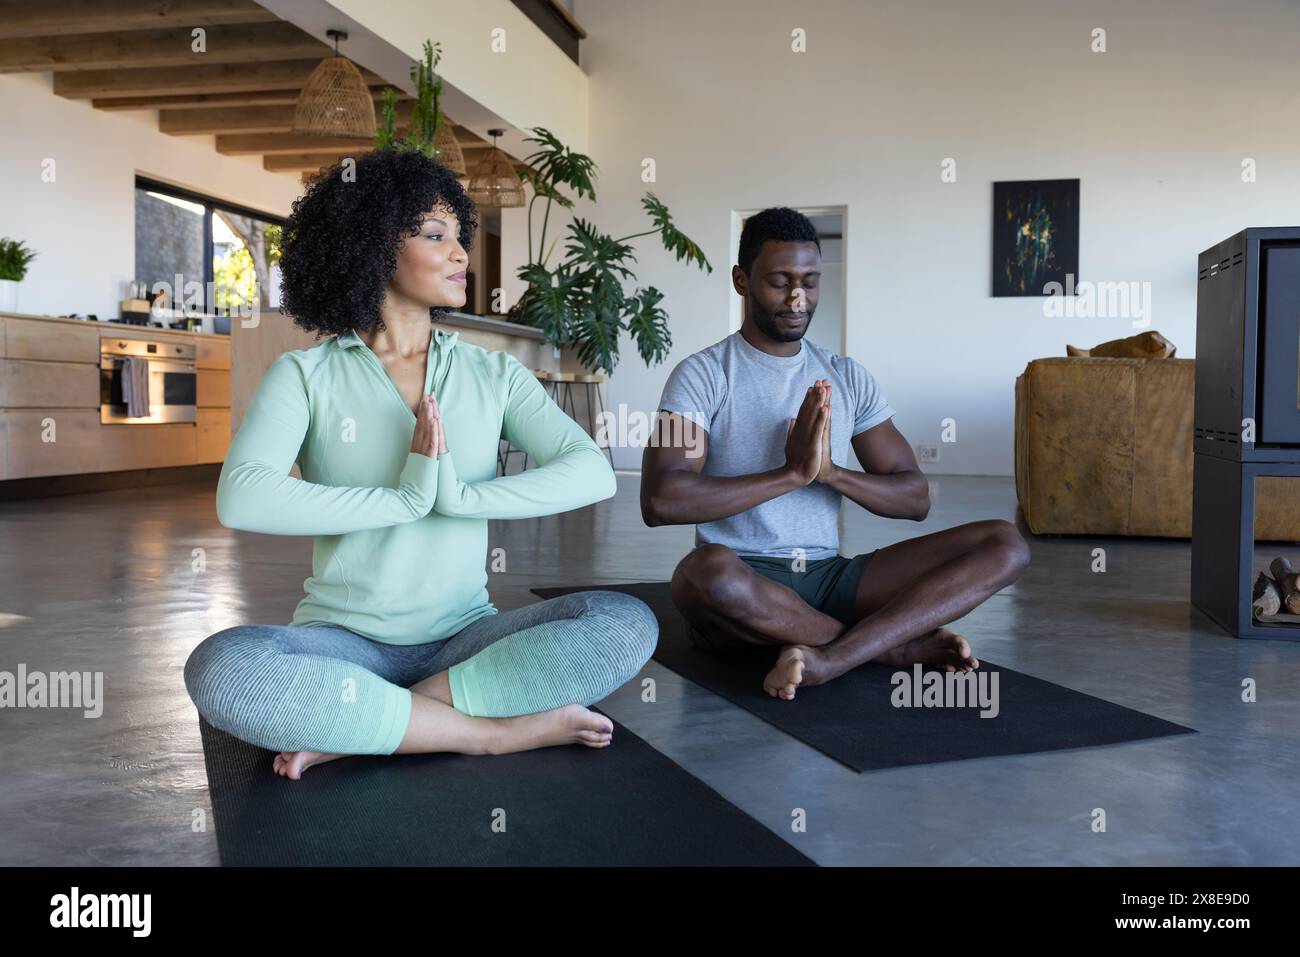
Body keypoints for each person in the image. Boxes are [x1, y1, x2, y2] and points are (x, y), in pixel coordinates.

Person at [184, 150, 657, 780]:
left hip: (464, 639)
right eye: (437, 236)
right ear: (372, 248)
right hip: (343, 642)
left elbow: (589, 469)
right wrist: (403, 499)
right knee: (221, 667)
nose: (462, 254)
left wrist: (459, 496)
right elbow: (242, 496)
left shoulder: (493, 373)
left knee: (625, 623)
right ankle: (490, 736)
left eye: (459, 237)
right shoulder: (305, 375)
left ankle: (369, 729)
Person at [640, 207, 1029, 701]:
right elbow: (661, 500)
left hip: (827, 576)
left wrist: (830, 474)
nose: (798, 297)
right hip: (743, 583)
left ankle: (832, 656)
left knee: (1005, 543)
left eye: (810, 281)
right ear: (742, 281)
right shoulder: (701, 375)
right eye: (780, 281)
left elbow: (914, 498)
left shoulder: (846, 375)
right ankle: (889, 649)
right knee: (701, 574)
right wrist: (789, 474)